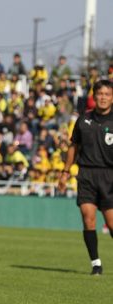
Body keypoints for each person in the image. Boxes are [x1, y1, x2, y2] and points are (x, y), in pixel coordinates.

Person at [58, 80, 113, 276]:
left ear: (112, 97)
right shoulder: (83, 120)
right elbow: (74, 146)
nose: (103, 97)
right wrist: (65, 172)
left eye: (107, 94)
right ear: (94, 96)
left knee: (112, 223)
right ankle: (96, 264)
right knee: (88, 218)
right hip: (87, 174)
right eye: (100, 94)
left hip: (109, 176)